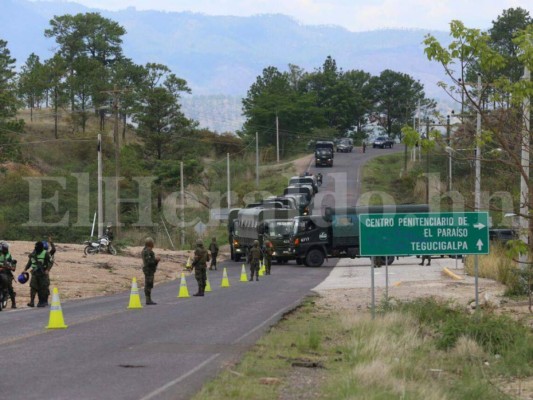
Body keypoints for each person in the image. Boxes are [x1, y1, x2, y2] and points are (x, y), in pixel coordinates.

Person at [24, 241, 53, 307]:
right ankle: (32, 302)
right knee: (33, 287)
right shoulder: (33, 253)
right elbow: (29, 262)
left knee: (43, 288)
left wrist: (48, 270)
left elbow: (51, 262)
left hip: (43, 273)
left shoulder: (46, 253)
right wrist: (25, 269)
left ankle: (42, 301)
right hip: (35, 273)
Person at [142, 237, 160, 305]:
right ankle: (148, 299)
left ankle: (148, 299)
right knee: (148, 284)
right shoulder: (147, 251)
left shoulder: (146, 251)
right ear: (150, 244)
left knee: (149, 284)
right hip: (148, 270)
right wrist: (156, 260)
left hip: (150, 269)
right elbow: (149, 262)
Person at [0, 242, 17, 308]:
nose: (6, 250)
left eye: (6, 249)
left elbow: (13, 263)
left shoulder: (9, 255)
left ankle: (14, 303)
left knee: (9, 287)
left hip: (7, 273)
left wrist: (12, 267)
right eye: (4, 248)